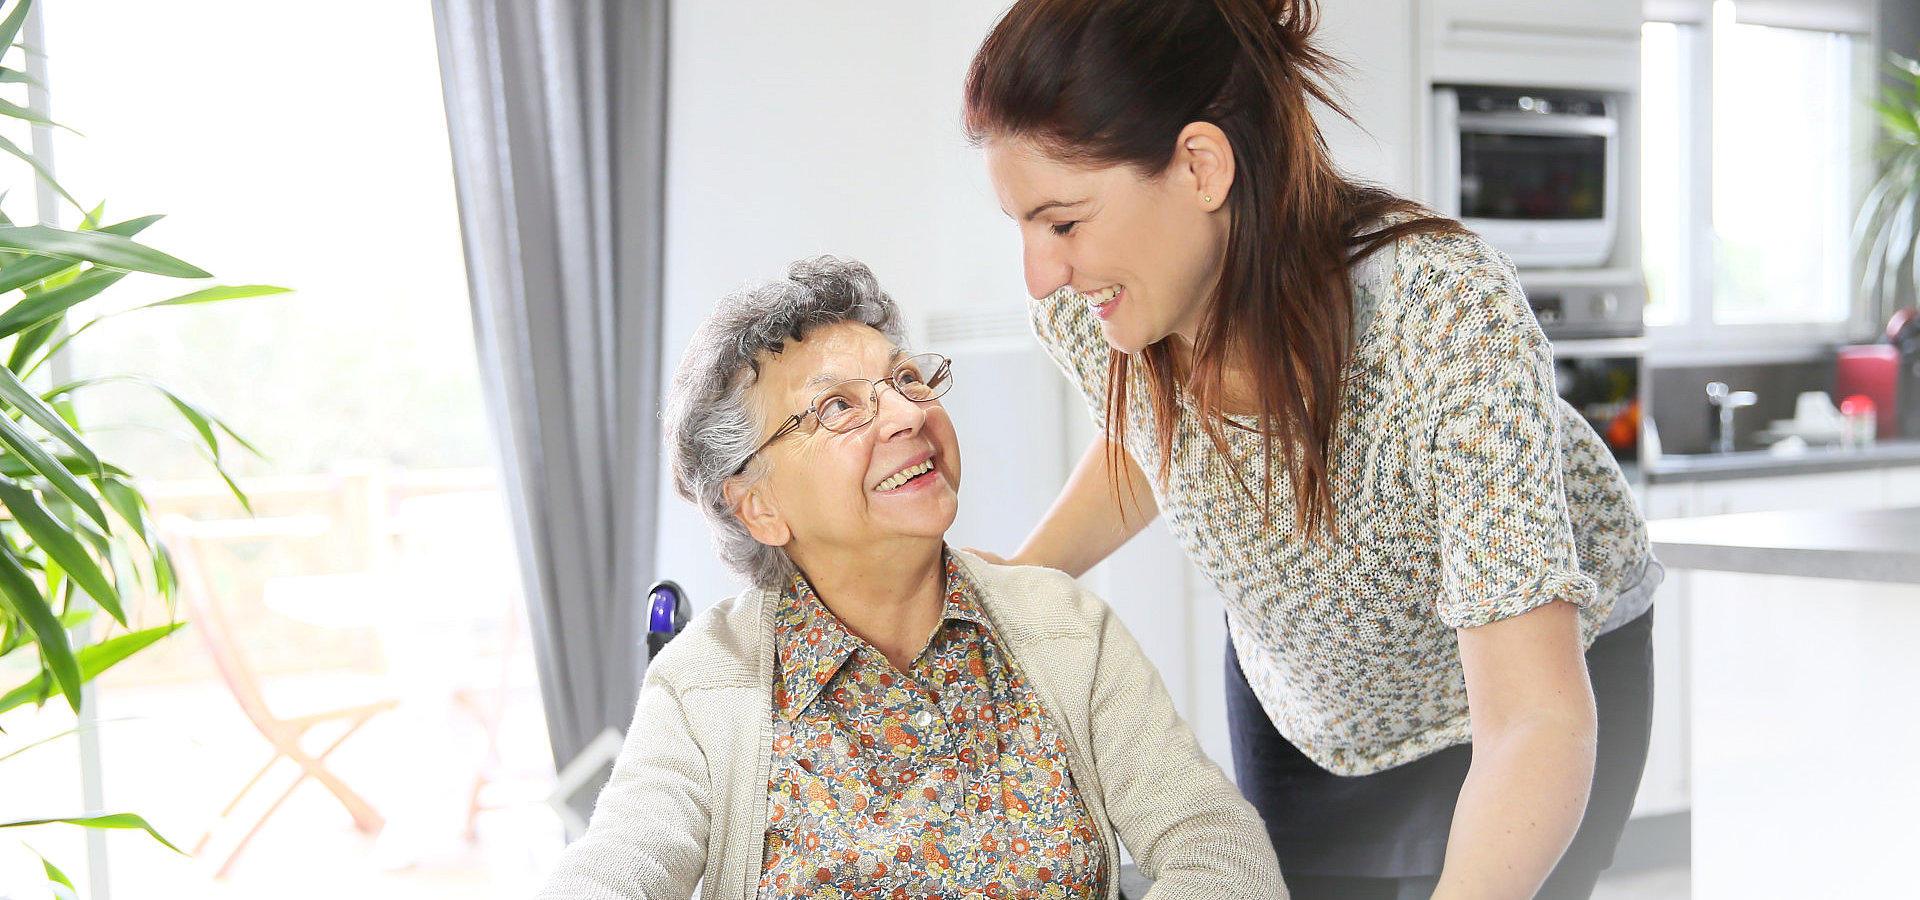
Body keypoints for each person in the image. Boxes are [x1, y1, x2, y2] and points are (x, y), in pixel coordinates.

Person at [961, 2, 1661, 898]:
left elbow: (1534, 720)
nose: (1039, 272)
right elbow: (1155, 440)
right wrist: (1023, 581)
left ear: (1201, 167)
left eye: (1062, 223)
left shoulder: (1441, 316)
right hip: (1304, 708)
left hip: (1533, 701)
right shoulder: (1088, 309)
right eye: (1021, 226)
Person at [536, 256, 1284, 900]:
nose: (906, 414)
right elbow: (615, 869)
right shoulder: (704, 686)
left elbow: (1218, 850)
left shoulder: (1064, 629)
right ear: (758, 506)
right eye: (836, 407)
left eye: (905, 379)